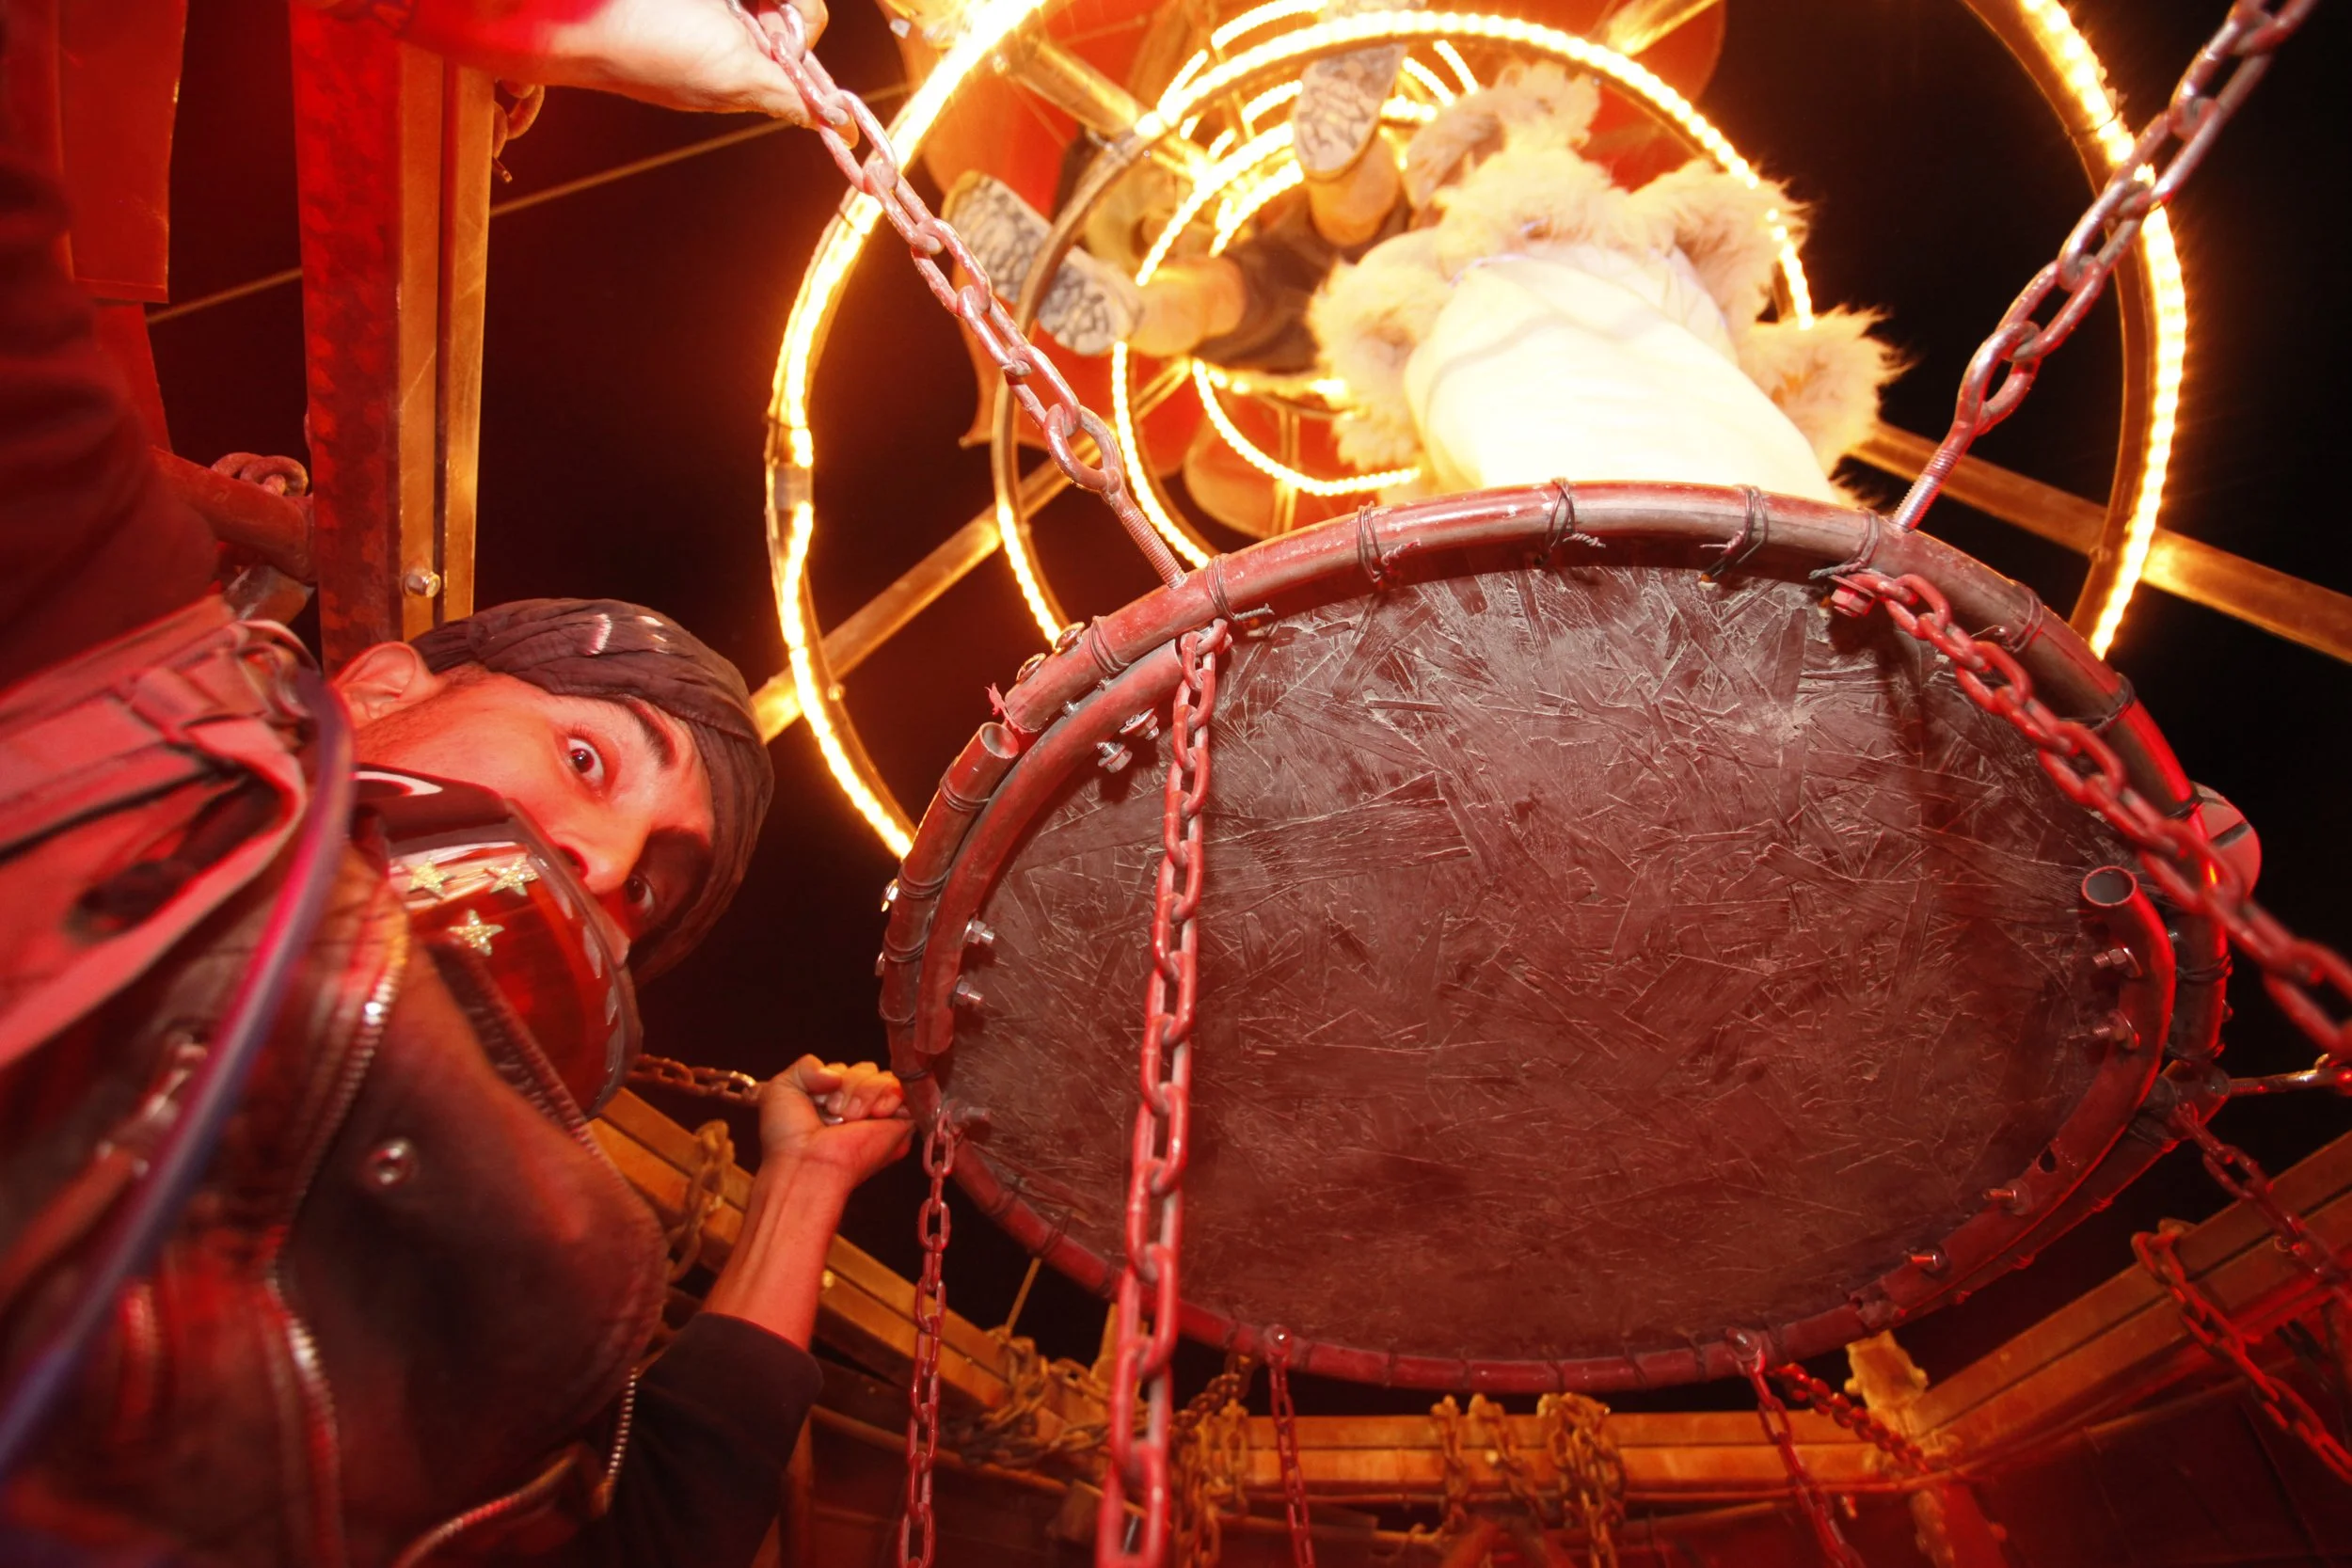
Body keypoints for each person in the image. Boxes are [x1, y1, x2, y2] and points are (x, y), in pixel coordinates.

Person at [0, 0, 908, 1562]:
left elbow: (675, 1516)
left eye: (648, 887)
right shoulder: (105, 714)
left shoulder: (534, 1305)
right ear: (380, 682)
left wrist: (804, 1183)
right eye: (584, 757)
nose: (593, 865)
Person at [943, 44, 1896, 531]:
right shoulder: (1530, 226)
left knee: (1216, 301)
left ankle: (1132, 306)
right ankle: (1323, 161)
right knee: (1301, 250)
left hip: (1367, 301)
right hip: (1389, 282)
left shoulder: (1486, 221)